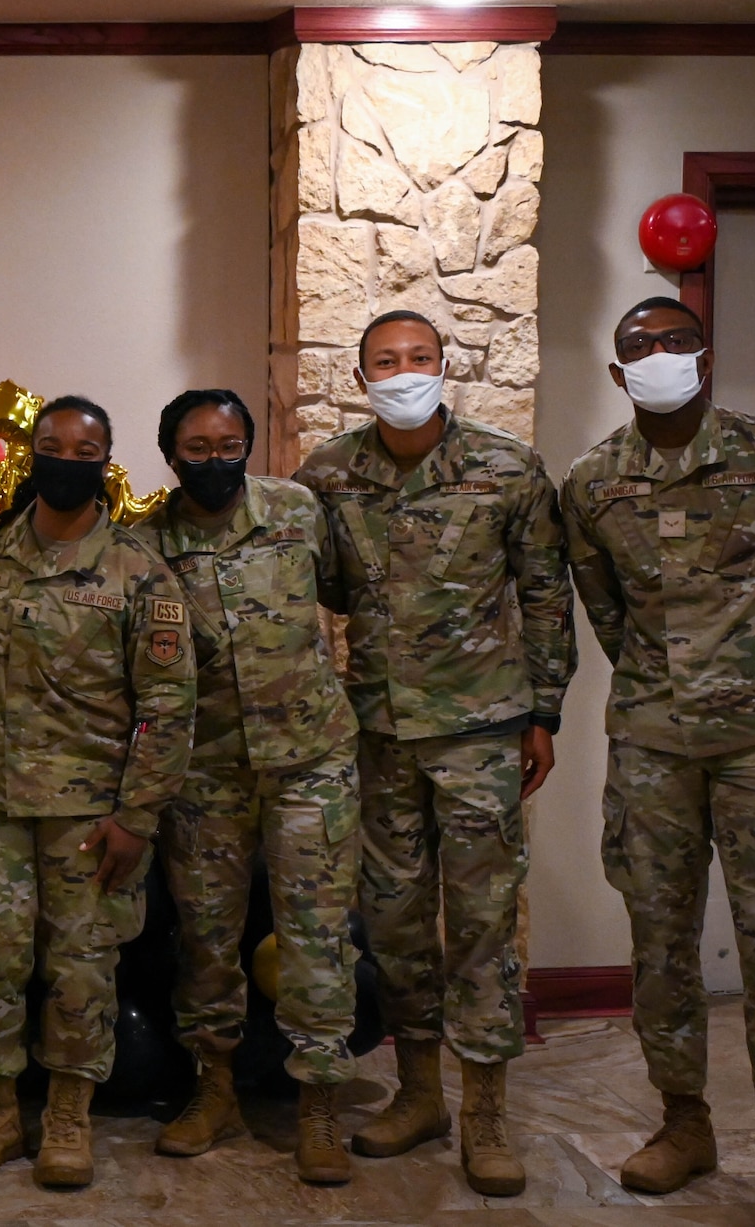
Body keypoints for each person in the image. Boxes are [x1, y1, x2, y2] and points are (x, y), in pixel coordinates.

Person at [562, 297, 755, 1227]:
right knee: (660, 944)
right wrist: (667, 682)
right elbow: (604, 608)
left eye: (675, 341)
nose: (659, 356)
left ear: (707, 354)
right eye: (639, 347)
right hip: (651, 740)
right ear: (617, 373)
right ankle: (684, 1123)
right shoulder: (594, 481)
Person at [293, 310, 576, 1197]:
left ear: (445, 366)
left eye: (420, 357)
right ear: (361, 375)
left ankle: (485, 1108)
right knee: (396, 923)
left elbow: (544, 591)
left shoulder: (506, 466)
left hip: (482, 730)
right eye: (387, 360)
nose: (404, 370)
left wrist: (546, 711)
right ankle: (420, 1092)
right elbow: (324, 589)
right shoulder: (329, 476)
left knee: (485, 922)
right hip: (377, 735)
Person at [0, 396, 196, 1191]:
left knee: (81, 965)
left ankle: (70, 1114)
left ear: (105, 461)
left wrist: (137, 816)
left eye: (85, 448)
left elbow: (169, 703)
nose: (66, 459)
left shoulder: (140, 571)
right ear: (30, 456)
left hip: (92, 806)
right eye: (51, 445)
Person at [144, 389, 361, 1183]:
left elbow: (343, 591)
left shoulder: (299, 511)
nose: (214, 459)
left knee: (318, 935)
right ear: (170, 455)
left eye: (229, 443)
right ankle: (215, 1090)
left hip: (312, 759)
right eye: (196, 448)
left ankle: (322, 1104)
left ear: (249, 443)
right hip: (205, 769)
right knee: (206, 940)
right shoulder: (147, 544)